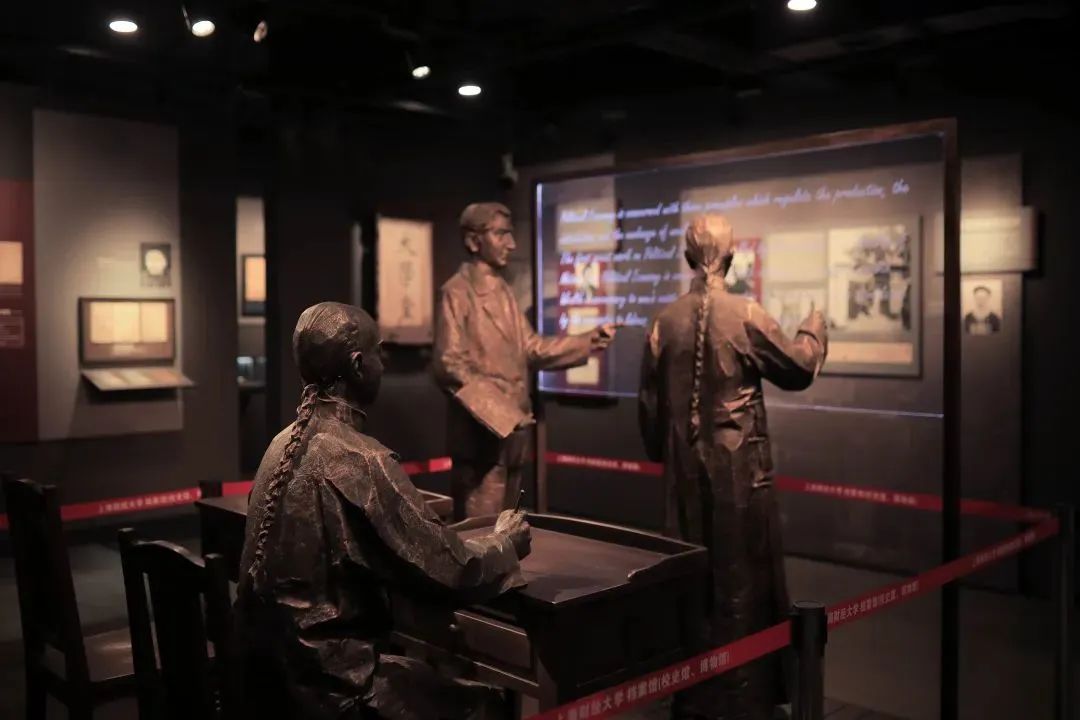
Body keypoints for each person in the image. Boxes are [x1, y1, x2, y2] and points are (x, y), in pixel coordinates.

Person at [235, 302, 532, 720]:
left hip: (274, 688)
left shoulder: (278, 446)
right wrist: (506, 543)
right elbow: (452, 567)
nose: (385, 363)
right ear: (358, 365)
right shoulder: (361, 461)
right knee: (487, 706)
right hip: (335, 695)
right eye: (379, 352)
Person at [638, 215, 827, 720]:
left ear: (687, 258)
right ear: (732, 257)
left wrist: (669, 449)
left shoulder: (663, 322)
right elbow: (799, 367)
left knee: (693, 578)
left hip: (684, 475)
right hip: (740, 473)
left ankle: (695, 692)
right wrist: (813, 328)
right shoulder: (746, 314)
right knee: (742, 576)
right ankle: (744, 695)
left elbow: (650, 420)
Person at [434, 202, 616, 519]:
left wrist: (588, 340)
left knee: (506, 530)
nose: (511, 244)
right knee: (479, 533)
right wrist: (503, 414)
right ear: (474, 241)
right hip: (482, 442)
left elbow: (531, 348)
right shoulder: (457, 292)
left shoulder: (503, 291)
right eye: (501, 234)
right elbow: (449, 364)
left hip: (511, 439)